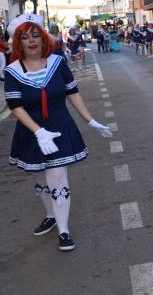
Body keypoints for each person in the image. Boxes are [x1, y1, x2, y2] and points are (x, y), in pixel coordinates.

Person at [3, 14, 112, 252]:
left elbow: (72, 93)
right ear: (18, 43)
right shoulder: (12, 71)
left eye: (35, 36)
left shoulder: (57, 62)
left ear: (44, 39)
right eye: (24, 37)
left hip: (60, 129)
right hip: (31, 133)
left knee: (57, 178)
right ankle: (50, 215)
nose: (31, 41)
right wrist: (38, 132)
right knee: (41, 180)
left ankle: (64, 231)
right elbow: (15, 107)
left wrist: (90, 120)